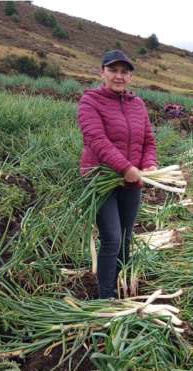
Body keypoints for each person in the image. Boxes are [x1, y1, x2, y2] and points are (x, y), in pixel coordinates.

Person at [77, 50, 157, 300]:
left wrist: (150, 165)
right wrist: (126, 168)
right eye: (113, 71)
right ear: (102, 73)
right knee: (111, 237)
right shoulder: (90, 101)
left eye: (124, 72)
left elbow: (148, 142)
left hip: (130, 181)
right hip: (100, 179)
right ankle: (106, 297)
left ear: (131, 76)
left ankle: (123, 287)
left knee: (125, 236)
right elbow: (96, 140)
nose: (118, 76)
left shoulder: (138, 105)